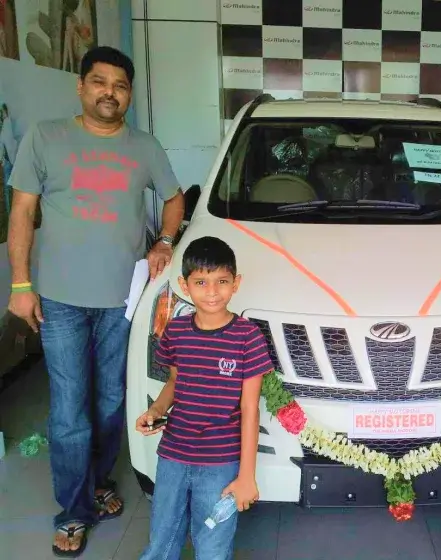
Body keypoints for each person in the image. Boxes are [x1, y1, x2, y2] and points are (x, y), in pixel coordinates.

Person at [6, 46, 185, 557]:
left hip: (121, 300)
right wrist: (20, 284)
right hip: (60, 299)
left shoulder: (144, 146)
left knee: (109, 401)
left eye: (121, 85)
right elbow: (21, 211)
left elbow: (174, 199)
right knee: (68, 409)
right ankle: (73, 511)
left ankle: (99, 482)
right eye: (100, 82)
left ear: (129, 93)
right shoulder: (47, 137)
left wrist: (165, 241)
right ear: (81, 87)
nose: (111, 92)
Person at [136, 236, 273, 560]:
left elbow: (250, 409)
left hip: (220, 461)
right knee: (161, 538)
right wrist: (155, 409)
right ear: (185, 284)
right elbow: (173, 380)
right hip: (173, 453)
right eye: (201, 282)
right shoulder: (177, 331)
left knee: (212, 545)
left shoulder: (247, 337)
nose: (212, 292)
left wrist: (246, 476)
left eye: (221, 281)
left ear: (235, 283)